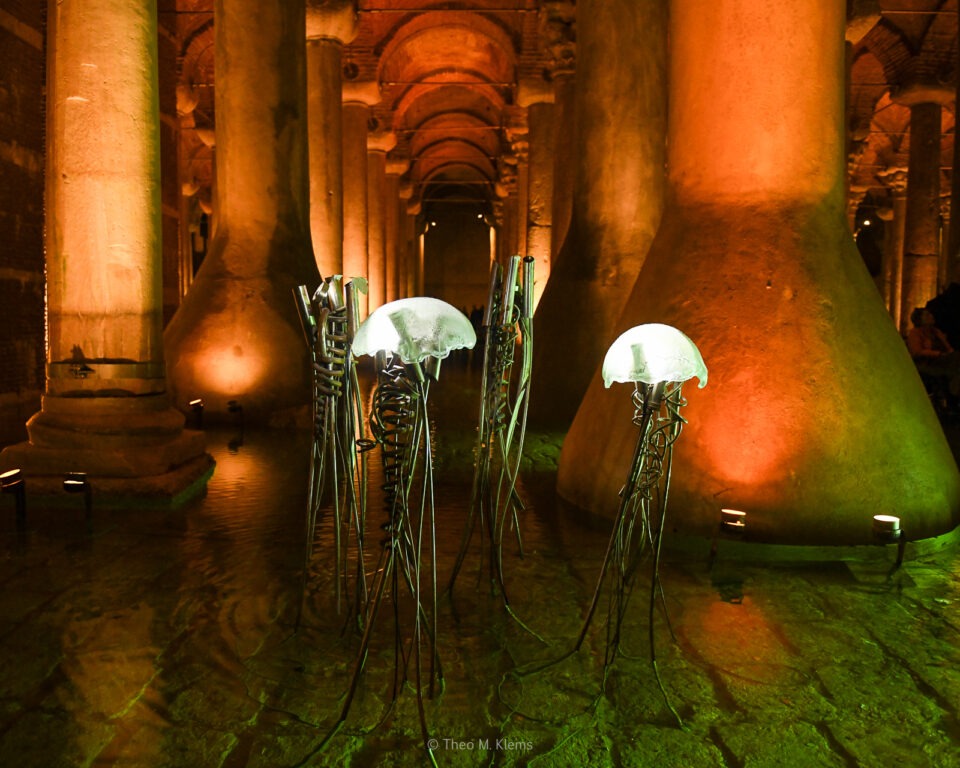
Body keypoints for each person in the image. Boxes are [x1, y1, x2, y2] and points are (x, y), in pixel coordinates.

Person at [907, 307, 960, 400]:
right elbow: (917, 351)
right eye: (927, 315)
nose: (931, 316)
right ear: (920, 319)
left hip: (942, 360)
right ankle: (953, 391)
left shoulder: (936, 331)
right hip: (927, 363)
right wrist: (938, 354)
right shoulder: (915, 333)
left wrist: (950, 353)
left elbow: (947, 348)